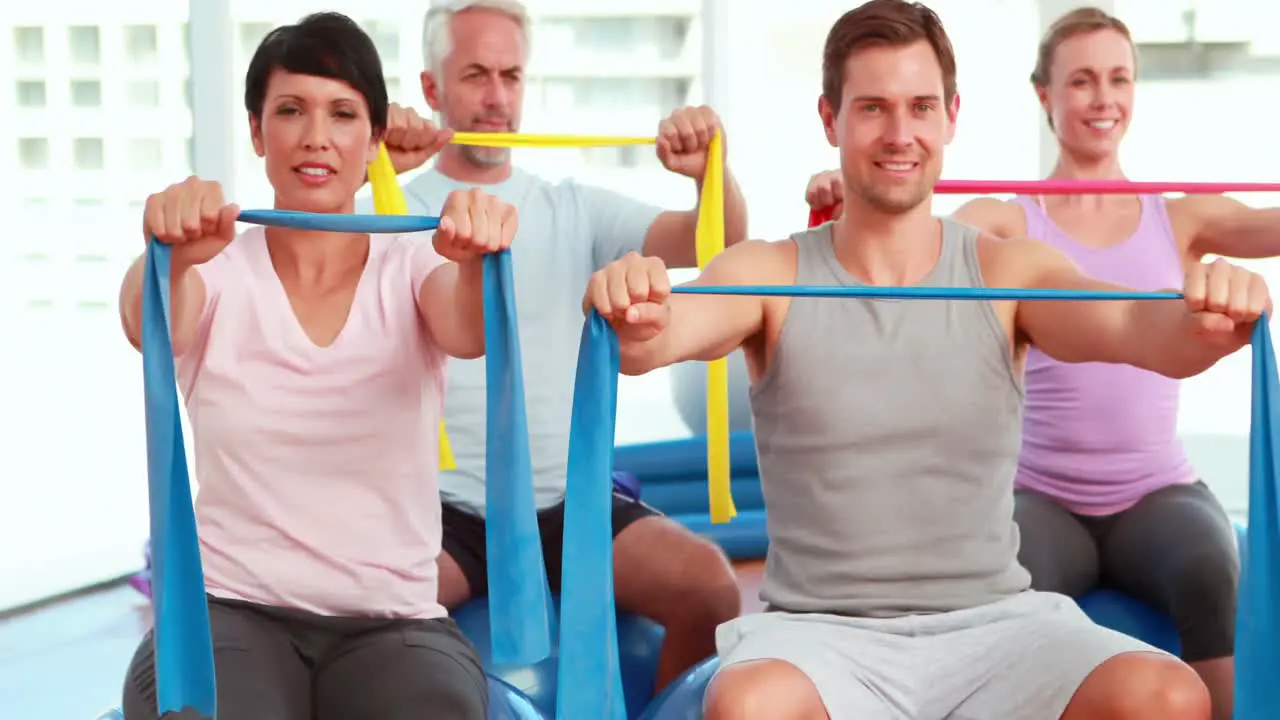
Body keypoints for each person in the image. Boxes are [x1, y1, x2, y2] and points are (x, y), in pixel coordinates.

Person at [586, 1, 1274, 717]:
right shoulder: (770, 273)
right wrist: (633, 305)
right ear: (831, 120)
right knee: (749, 702)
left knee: (1168, 696)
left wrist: (1208, 315)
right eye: (873, 108)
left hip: (994, 624)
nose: (900, 133)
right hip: (820, 636)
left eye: (920, 106)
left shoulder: (1008, 271)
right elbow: (656, 337)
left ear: (951, 116)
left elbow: (1136, 326)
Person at [804, 8, 1272, 718]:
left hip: (1157, 492)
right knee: (996, 604)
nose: (1102, 98)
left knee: (1214, 572)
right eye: (1081, 81)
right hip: (1043, 495)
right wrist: (847, 193)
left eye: (1119, 79)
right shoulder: (1013, 222)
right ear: (1043, 96)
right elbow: (909, 225)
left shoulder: (1180, 218)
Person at [116, 13, 516, 719]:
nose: (316, 137)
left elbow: (468, 327)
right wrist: (166, 253)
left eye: (342, 113)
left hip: (392, 621)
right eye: (290, 111)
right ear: (256, 131)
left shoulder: (415, 263)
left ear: (375, 140)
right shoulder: (218, 269)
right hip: (229, 612)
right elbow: (146, 320)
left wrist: (482, 261)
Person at [363, 0, 751, 690]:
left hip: (569, 507)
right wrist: (366, 164)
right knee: (360, 615)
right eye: (476, 74)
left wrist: (708, 173)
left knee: (710, 589)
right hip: (442, 513)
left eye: (511, 76)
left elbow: (712, 238)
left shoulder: (572, 205)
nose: (496, 97)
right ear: (432, 90)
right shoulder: (385, 211)